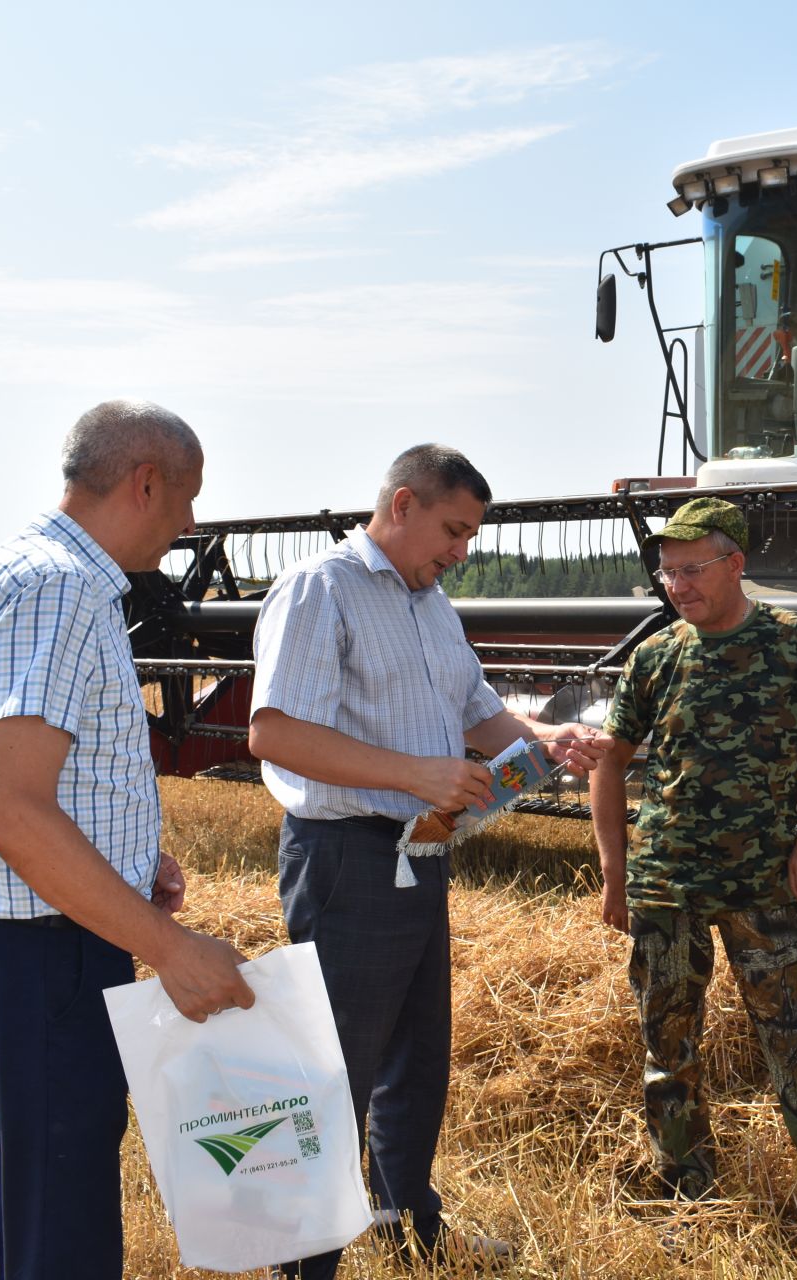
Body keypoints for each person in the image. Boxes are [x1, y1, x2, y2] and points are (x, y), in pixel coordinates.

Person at [246, 444, 608, 1279]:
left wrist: (548, 742)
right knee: (336, 1069)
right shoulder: (321, 588)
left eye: (471, 536)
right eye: (453, 530)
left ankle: (408, 1225)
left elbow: (477, 712)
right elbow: (276, 733)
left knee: (416, 1057)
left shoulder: (431, 601)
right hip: (346, 858)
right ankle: (304, 1264)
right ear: (401, 505)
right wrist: (416, 773)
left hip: (420, 853)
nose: (461, 551)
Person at [0, 400, 257, 1280]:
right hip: (45, 958)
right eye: (186, 501)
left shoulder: (29, 569)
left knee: (38, 1203)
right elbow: (14, 812)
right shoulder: (60, 590)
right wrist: (170, 949)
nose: (188, 524)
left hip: (34, 940)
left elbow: (37, 789)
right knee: (62, 1230)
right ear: (145, 482)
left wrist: (132, 864)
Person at [589, 497, 797, 1242]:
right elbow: (608, 763)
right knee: (669, 1049)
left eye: (691, 569)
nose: (676, 586)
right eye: (666, 572)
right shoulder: (656, 656)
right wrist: (614, 869)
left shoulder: (796, 641)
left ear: (737, 564)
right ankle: (688, 1192)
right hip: (666, 887)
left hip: (765, 885)